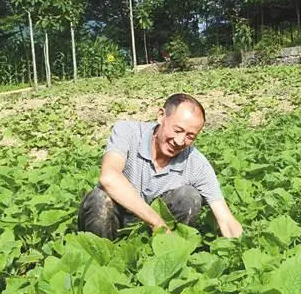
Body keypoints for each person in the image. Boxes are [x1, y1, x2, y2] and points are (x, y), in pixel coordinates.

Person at [77, 93, 243, 240]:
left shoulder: (195, 162)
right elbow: (109, 177)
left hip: (156, 236)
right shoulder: (127, 132)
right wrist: (157, 223)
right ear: (161, 116)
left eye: (190, 136)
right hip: (115, 220)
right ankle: (102, 261)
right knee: (99, 199)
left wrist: (242, 248)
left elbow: (225, 218)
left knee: (189, 196)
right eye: (177, 130)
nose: (180, 141)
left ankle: (169, 253)